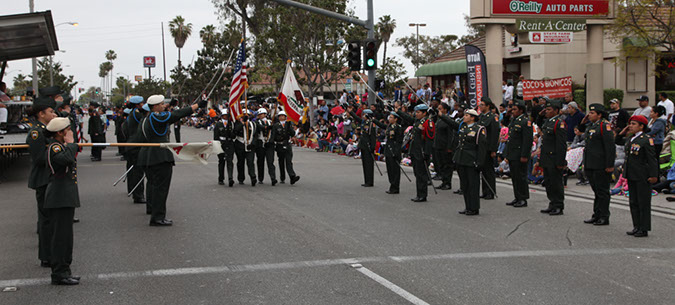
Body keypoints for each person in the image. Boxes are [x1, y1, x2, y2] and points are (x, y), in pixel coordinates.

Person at [137, 95, 206, 226]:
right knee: (161, 188)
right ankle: (158, 217)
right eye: (162, 104)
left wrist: (170, 105)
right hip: (159, 156)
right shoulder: (156, 118)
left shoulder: (146, 118)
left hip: (148, 155)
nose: (164, 106)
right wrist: (197, 106)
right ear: (156, 106)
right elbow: (176, 115)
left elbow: (165, 113)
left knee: (152, 185)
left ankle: (152, 209)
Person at [44, 117, 80, 285]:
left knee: (66, 236)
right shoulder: (55, 147)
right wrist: (71, 143)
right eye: (67, 129)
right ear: (60, 132)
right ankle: (59, 273)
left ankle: (65, 269)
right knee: (60, 237)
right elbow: (66, 160)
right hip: (59, 197)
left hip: (64, 196)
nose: (70, 131)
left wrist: (70, 145)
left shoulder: (61, 147)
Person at [26, 96, 58, 268]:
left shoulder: (46, 130)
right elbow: (39, 158)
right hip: (43, 179)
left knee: (51, 219)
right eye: (51, 112)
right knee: (46, 221)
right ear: (41, 113)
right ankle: (46, 256)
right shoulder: (37, 132)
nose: (54, 114)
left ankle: (51, 252)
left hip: (50, 178)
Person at [615, 115, 659, 237]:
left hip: (642, 175)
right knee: (633, 201)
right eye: (630, 123)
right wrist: (623, 131)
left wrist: (654, 175)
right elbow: (618, 140)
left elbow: (652, 159)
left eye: (634, 124)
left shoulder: (646, 139)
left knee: (643, 202)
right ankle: (636, 226)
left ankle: (643, 228)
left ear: (641, 126)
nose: (631, 126)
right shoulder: (631, 138)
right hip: (631, 174)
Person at [579, 104, 616, 226]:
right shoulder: (591, 125)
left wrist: (610, 165)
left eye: (592, 113)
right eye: (589, 112)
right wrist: (583, 122)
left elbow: (610, 147)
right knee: (596, 191)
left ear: (599, 115)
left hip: (601, 164)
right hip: (591, 163)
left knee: (602, 191)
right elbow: (580, 132)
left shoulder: (604, 126)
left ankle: (604, 216)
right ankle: (597, 214)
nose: (589, 115)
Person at [397, 104, 434, 202]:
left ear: (424, 113)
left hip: (421, 152)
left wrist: (426, 153)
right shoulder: (418, 121)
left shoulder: (427, 122)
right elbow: (408, 118)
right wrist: (398, 112)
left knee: (422, 174)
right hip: (415, 151)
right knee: (417, 173)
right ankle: (419, 193)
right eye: (416, 112)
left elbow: (429, 139)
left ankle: (423, 195)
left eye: (418, 112)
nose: (416, 114)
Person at [453, 109, 487, 215]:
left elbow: (482, 148)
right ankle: (468, 206)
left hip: (472, 160)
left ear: (472, 117)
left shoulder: (479, 129)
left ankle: (474, 207)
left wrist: (480, 163)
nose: (464, 117)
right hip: (462, 159)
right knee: (465, 185)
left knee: (473, 185)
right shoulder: (463, 127)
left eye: (467, 115)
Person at [539, 99, 568, 216]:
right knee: (549, 182)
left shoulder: (559, 123)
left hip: (554, 157)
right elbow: (540, 126)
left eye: (549, 109)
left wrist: (560, 161)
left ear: (556, 111)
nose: (546, 111)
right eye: (546, 109)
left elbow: (561, 144)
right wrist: (540, 115)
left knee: (556, 183)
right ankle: (552, 203)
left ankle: (558, 205)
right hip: (546, 157)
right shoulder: (548, 122)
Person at [504, 99, 534, 208]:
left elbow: (527, 140)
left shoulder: (525, 121)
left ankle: (523, 198)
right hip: (513, 153)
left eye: (515, 109)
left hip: (520, 154)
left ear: (521, 110)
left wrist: (524, 155)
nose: (512, 111)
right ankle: (517, 197)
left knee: (521, 177)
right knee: (515, 177)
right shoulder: (514, 120)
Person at [123, 96, 148, 206]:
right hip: (136, 146)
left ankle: (132, 190)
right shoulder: (137, 114)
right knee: (137, 172)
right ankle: (138, 195)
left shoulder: (131, 113)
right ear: (138, 105)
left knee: (132, 170)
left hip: (130, 144)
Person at [374, 112, 404, 194]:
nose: (389, 119)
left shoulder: (398, 128)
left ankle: (395, 187)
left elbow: (399, 141)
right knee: (390, 169)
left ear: (396, 119)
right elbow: (382, 125)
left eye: (391, 117)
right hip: (388, 150)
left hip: (394, 151)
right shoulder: (389, 126)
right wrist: (374, 120)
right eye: (389, 117)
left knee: (395, 170)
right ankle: (392, 185)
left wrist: (396, 151)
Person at [348, 107, 377, 187]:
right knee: (365, 164)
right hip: (363, 146)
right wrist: (351, 112)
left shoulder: (371, 124)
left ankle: (370, 181)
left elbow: (373, 137)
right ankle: (366, 180)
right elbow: (357, 118)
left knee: (368, 164)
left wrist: (372, 147)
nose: (363, 116)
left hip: (368, 146)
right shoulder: (364, 123)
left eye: (364, 115)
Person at [478, 97, 500, 199]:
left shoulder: (493, 117)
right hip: (481, 147)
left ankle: (491, 191)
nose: (480, 106)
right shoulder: (481, 117)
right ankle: (485, 191)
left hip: (488, 147)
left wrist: (493, 150)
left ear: (488, 106)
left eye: (482, 105)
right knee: (483, 170)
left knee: (489, 171)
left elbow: (494, 135)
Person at [272, 111, 301, 185]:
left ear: (285, 117)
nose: (281, 117)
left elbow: (293, 134)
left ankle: (292, 176)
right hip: (279, 145)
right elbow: (274, 136)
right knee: (281, 161)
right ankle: (282, 176)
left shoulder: (288, 124)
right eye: (280, 116)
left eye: (283, 116)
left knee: (288, 161)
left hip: (287, 144)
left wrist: (289, 127)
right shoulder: (276, 125)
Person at [432, 103, 454, 190]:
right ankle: (443, 181)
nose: (439, 110)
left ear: (445, 110)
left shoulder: (448, 120)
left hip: (445, 146)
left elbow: (450, 135)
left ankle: (448, 182)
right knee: (440, 164)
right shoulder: (438, 119)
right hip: (438, 145)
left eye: (440, 108)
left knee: (447, 165)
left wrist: (449, 147)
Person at [234, 110, 257, 186]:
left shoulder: (253, 124)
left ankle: (253, 177)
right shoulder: (237, 123)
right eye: (244, 115)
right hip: (240, 145)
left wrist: (253, 143)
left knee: (250, 162)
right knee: (241, 162)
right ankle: (241, 178)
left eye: (247, 115)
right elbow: (235, 131)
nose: (246, 116)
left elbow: (255, 135)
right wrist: (242, 123)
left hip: (250, 145)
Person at [214, 109, 236, 187]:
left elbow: (234, 135)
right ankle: (221, 178)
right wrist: (217, 146)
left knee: (230, 161)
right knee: (221, 161)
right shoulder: (218, 124)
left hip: (229, 143)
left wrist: (232, 132)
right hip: (221, 144)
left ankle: (230, 178)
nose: (226, 117)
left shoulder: (231, 124)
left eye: (227, 115)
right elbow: (216, 137)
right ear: (222, 116)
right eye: (224, 115)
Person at [255, 108, 277, 185]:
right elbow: (259, 127)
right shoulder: (256, 122)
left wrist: (271, 141)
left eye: (262, 114)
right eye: (259, 115)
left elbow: (273, 133)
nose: (260, 116)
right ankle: (260, 178)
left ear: (265, 114)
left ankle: (273, 178)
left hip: (269, 144)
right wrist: (267, 127)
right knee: (260, 162)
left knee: (270, 161)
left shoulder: (270, 122)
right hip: (260, 143)